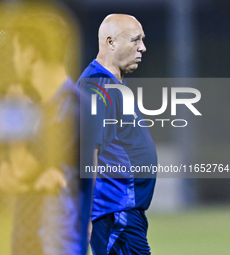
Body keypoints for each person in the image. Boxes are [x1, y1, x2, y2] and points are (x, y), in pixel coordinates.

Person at [0, 11, 96, 255]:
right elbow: (4, 178)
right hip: (29, 243)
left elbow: (20, 170)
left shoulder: (72, 106)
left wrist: (16, 116)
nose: (14, 59)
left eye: (16, 50)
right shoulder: (37, 107)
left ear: (30, 54)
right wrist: (34, 181)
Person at [77, 14, 157, 255]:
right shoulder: (99, 87)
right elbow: (87, 151)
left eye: (142, 40)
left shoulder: (110, 84)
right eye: (135, 40)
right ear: (110, 42)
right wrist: (85, 216)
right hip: (114, 211)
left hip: (122, 211)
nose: (142, 47)